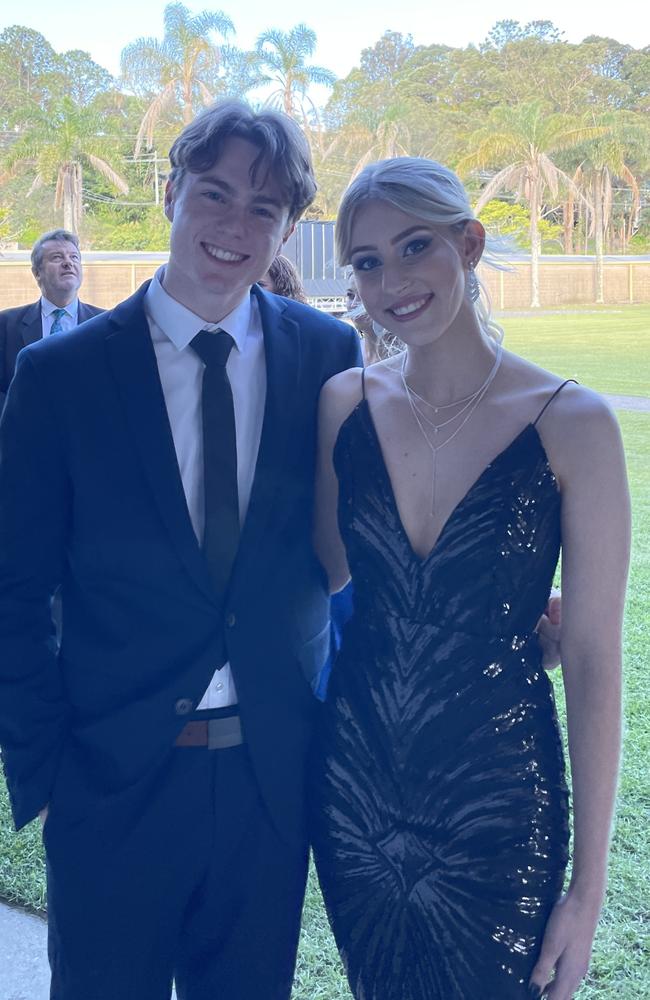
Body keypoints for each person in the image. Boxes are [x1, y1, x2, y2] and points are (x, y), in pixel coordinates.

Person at [0, 100, 361, 1000]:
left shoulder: (328, 353)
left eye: (264, 208)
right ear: (171, 193)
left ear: (286, 226)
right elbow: (12, 587)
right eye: (215, 194)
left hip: (268, 782)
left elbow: (363, 542)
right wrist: (40, 767)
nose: (235, 227)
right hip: (111, 780)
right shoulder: (60, 375)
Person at [311, 157, 629, 1000]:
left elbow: (596, 660)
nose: (393, 280)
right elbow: (324, 569)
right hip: (355, 789)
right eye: (368, 261)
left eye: (416, 247)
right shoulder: (343, 404)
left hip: (498, 795)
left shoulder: (576, 424)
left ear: (471, 243)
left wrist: (588, 893)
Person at [0, 229, 103, 413]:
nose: (68, 263)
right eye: (57, 257)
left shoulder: (104, 324)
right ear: (37, 273)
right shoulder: (6, 326)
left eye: (74, 257)